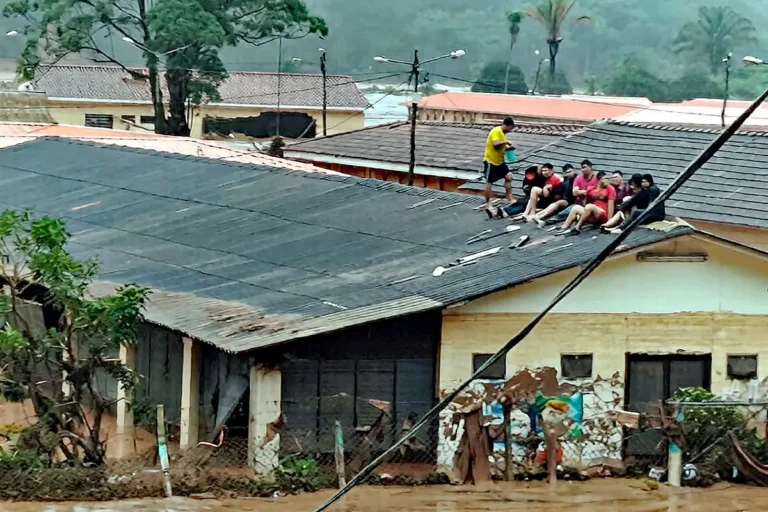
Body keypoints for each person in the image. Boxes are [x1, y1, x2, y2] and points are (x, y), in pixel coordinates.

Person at [556, 172, 616, 236]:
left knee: (590, 206)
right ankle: (564, 227)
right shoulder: (592, 188)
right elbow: (587, 200)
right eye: (605, 179)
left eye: (608, 179)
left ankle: (577, 228)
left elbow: (611, 205)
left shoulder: (610, 189)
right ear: (599, 180)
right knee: (575, 208)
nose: (607, 181)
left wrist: (609, 223)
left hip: (602, 213)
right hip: (591, 213)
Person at [482, 117, 516, 207]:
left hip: (500, 161)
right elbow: (495, 144)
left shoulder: (503, 134)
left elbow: (501, 148)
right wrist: (506, 142)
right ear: (508, 125)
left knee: (508, 176)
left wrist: (509, 148)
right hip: (491, 161)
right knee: (489, 182)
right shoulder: (496, 131)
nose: (510, 131)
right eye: (511, 128)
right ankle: (487, 202)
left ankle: (509, 197)